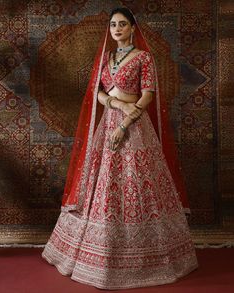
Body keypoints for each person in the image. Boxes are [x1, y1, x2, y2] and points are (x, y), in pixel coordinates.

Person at [42, 7, 199, 290]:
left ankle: (143, 255)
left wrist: (124, 123)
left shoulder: (143, 57)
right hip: (110, 121)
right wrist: (117, 104)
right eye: (113, 24)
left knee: (135, 182)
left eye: (122, 24)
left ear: (132, 28)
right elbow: (98, 93)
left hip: (133, 127)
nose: (117, 28)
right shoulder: (107, 58)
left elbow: (148, 95)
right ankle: (97, 252)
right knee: (101, 183)